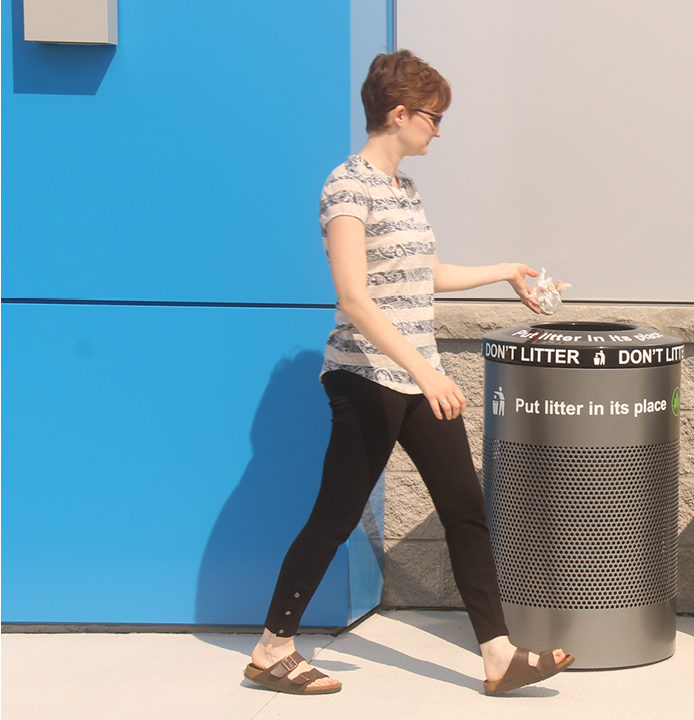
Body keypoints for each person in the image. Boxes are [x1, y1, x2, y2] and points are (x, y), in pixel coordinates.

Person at [243, 50, 572, 696]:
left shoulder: (405, 190)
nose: (439, 131)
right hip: (367, 378)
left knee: (466, 511)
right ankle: (271, 648)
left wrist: (507, 272)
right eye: (433, 117)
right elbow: (354, 298)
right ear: (399, 114)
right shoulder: (346, 185)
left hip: (417, 377)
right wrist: (426, 371)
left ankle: (499, 657)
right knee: (336, 517)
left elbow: (428, 277)